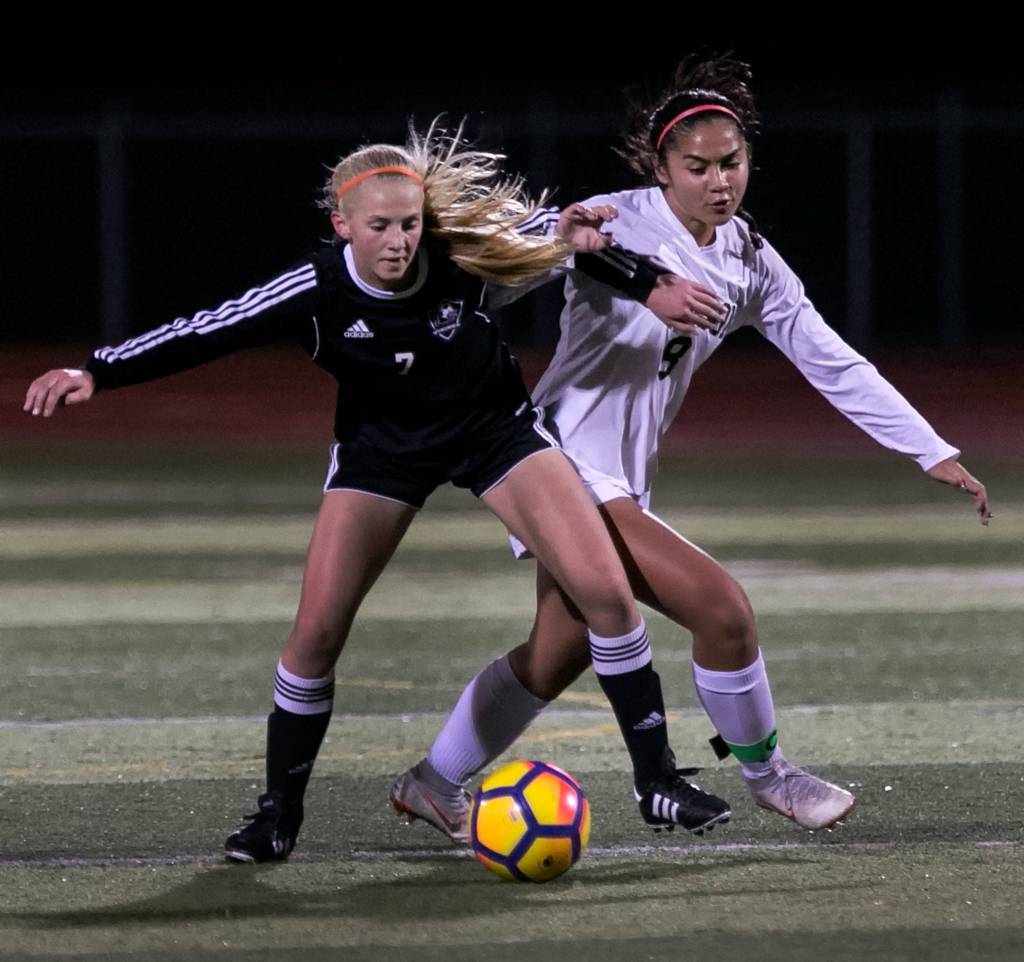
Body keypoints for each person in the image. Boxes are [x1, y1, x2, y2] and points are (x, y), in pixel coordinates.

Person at [24, 122, 734, 863]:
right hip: (381, 454)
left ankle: (657, 781)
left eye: (409, 224)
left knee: (605, 593)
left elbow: (556, 236)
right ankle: (278, 813)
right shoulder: (316, 286)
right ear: (342, 226)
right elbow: (209, 329)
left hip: (493, 432)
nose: (398, 241)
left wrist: (637, 276)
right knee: (317, 633)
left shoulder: (455, 250)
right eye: (380, 227)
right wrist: (97, 370)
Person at [391, 57, 992, 842]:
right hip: (552, 461)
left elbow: (830, 357)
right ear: (661, 167)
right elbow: (497, 272)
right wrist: (590, 257)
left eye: (731, 163)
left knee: (555, 654)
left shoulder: (748, 259)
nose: (718, 181)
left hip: (618, 478)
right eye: (697, 166)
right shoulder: (614, 219)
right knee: (722, 609)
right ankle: (768, 775)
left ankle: (429, 782)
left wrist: (928, 449)